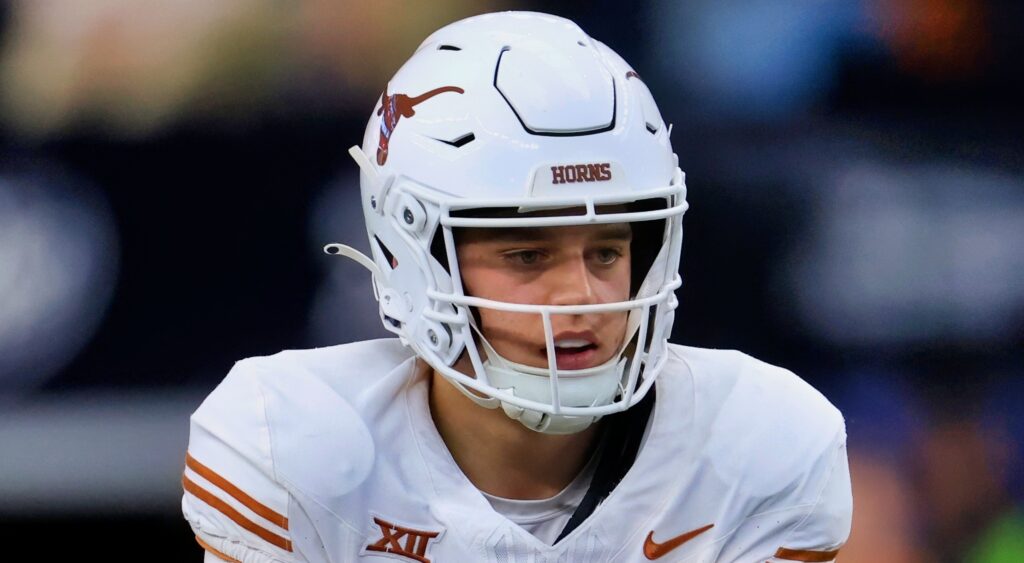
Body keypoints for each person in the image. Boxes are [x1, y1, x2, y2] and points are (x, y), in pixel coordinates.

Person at [181, 11, 852, 563]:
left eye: (608, 249)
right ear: (411, 251)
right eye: (528, 253)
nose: (581, 294)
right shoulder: (291, 446)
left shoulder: (758, 446)